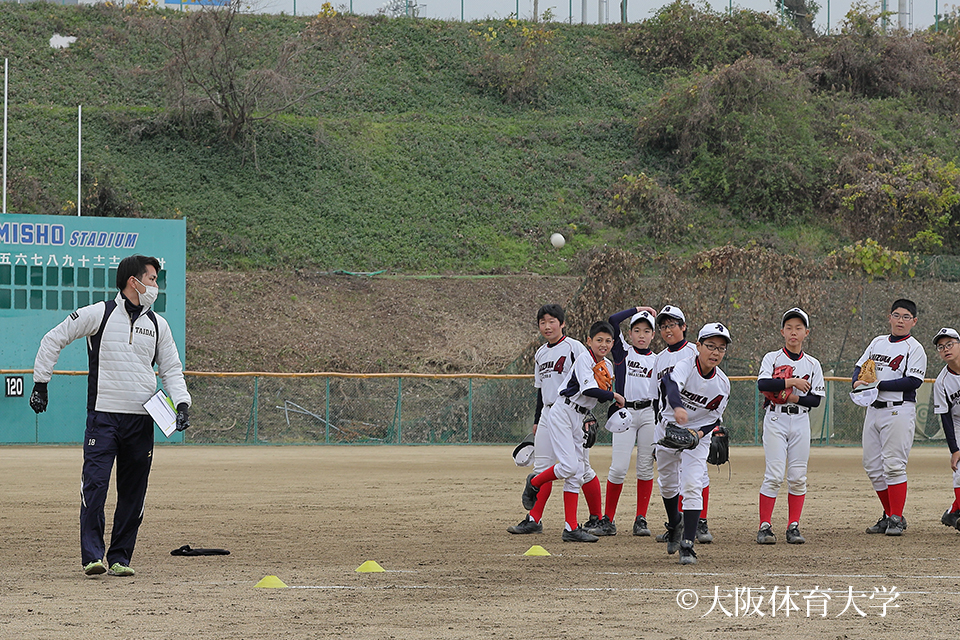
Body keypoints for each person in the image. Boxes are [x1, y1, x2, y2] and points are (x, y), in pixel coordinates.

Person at [29, 255, 191, 577]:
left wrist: (182, 404)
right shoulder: (98, 314)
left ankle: (120, 558)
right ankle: (92, 556)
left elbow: (171, 368)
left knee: (134, 492)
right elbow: (54, 338)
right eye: (153, 279)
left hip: (141, 421)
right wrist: (40, 383)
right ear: (135, 282)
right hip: (103, 419)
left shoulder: (159, 326)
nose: (155, 286)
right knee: (96, 486)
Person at [520, 321, 625, 542]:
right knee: (569, 466)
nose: (603, 344)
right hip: (563, 411)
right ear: (589, 341)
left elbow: (596, 394)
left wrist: (611, 404)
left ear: (612, 343)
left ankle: (570, 527)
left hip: (579, 416)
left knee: (576, 473)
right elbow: (588, 389)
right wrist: (614, 396)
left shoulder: (607, 365)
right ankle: (535, 482)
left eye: (607, 341)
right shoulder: (584, 359)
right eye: (599, 340)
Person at [656, 322, 731, 565]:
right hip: (669, 427)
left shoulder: (722, 384)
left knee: (691, 485)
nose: (715, 352)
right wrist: (678, 407)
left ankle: (687, 544)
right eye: (710, 346)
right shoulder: (686, 366)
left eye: (721, 348)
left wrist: (698, 435)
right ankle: (674, 524)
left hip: (698, 436)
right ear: (698, 346)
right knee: (668, 484)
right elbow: (670, 384)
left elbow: (714, 419)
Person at [508, 304, 587, 535]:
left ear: (562, 323)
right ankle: (533, 519)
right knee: (542, 466)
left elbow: (587, 382)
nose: (547, 326)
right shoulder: (540, 353)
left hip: (571, 411)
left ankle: (570, 525)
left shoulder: (575, 348)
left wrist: (588, 415)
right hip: (547, 412)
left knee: (575, 469)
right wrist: (536, 418)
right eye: (542, 322)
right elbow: (540, 390)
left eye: (552, 321)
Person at [852, 298, 927, 537]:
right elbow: (860, 366)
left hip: (899, 409)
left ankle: (895, 517)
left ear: (914, 321)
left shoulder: (914, 348)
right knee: (872, 466)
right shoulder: (877, 342)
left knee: (894, 465)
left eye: (906, 317)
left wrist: (878, 383)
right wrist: (857, 380)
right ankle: (890, 514)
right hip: (873, 409)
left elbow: (913, 381)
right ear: (889, 317)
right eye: (897, 315)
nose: (901, 320)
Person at [586, 306, 658, 537]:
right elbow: (611, 319)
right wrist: (638, 309)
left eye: (647, 331)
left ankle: (641, 519)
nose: (641, 335)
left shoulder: (658, 360)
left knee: (645, 468)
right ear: (628, 334)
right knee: (618, 468)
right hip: (625, 411)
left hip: (649, 414)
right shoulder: (623, 352)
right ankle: (609, 519)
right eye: (636, 330)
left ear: (653, 335)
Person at [755, 308, 825, 545]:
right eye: (789, 328)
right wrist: (791, 382)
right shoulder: (772, 358)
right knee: (774, 475)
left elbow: (815, 400)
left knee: (797, 476)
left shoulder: (813, 364)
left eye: (798, 328)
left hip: (800, 421)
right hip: (775, 419)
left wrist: (790, 396)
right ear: (782, 331)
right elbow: (762, 384)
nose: (793, 332)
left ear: (806, 332)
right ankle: (765, 526)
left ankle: (793, 526)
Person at [652, 305, 714, 544]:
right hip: (667, 424)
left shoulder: (696, 351)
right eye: (664, 326)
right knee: (669, 478)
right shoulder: (659, 358)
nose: (668, 330)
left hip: (694, 423)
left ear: (684, 327)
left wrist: (711, 430)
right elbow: (657, 394)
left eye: (672, 324)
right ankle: (676, 523)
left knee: (697, 476)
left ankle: (701, 522)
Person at [930, 328, 960, 530]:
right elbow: (946, 418)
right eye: (941, 347)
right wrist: (954, 450)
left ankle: (953, 512)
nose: (946, 349)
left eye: (950, 344)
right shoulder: (941, 382)